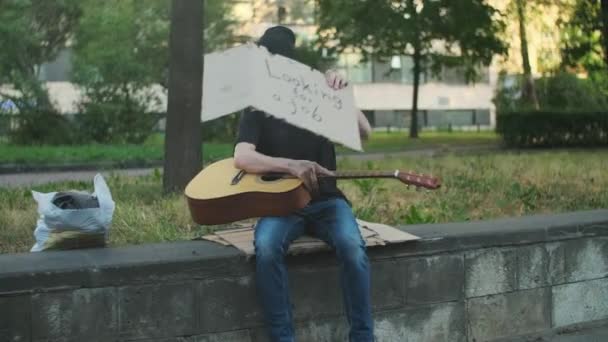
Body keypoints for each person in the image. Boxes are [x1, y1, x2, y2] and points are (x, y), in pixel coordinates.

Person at [233, 26, 374, 342]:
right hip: (281, 205)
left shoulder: (317, 92)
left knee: (352, 246)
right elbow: (242, 158)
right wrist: (291, 166)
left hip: (326, 201)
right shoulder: (256, 107)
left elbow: (364, 131)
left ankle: (364, 337)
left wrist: (342, 94)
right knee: (267, 248)